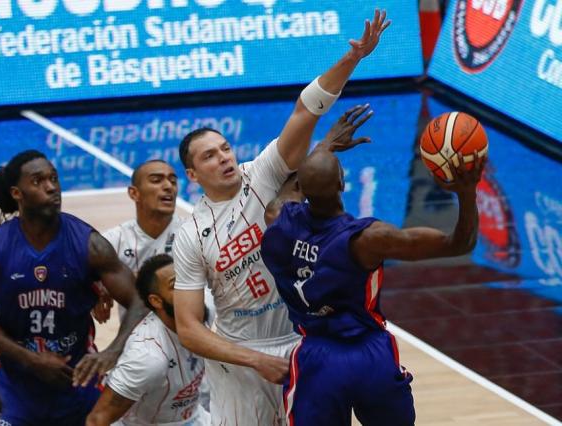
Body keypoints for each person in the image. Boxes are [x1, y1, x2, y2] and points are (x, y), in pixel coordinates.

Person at [172, 9, 389, 424]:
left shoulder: (264, 172)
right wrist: (253, 360)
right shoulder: (191, 235)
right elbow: (190, 329)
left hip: (301, 340)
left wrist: (354, 58)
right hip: (241, 358)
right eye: (209, 156)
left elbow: (304, 112)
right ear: (193, 174)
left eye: (225, 148)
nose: (223, 158)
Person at [261, 144, 485, 425]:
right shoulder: (368, 240)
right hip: (370, 356)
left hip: (317, 360)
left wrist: (325, 147)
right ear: (343, 183)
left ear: (302, 189)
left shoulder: (277, 221)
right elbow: (459, 244)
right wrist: (467, 191)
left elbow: (288, 192)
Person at [0, 150, 147, 425]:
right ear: (17, 193)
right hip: (16, 387)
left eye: (54, 178)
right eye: (38, 181)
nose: (51, 187)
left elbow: (139, 300)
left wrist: (113, 351)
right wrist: (30, 359)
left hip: (78, 382)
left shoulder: (89, 244)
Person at [86, 254, 210, 426]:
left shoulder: (207, 305)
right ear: (156, 301)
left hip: (196, 417)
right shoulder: (147, 357)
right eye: (176, 285)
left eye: (188, 277)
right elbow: (97, 420)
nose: (190, 287)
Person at [93, 159, 182, 323]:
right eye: (157, 180)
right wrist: (96, 289)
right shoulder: (114, 240)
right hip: (136, 341)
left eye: (173, 181)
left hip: (187, 340)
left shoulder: (193, 234)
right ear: (134, 193)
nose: (168, 186)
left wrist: (122, 280)